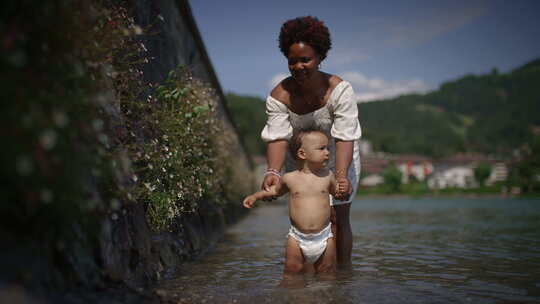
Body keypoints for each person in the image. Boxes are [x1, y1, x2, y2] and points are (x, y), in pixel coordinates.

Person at [260, 16, 361, 265]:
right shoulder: (279, 95)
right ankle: (307, 279)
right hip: (302, 161)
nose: (298, 66)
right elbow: (277, 137)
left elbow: (345, 137)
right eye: (292, 61)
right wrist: (273, 170)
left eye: (305, 60)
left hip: (339, 158)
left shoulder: (339, 90)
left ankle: (341, 278)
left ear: (320, 58)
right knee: (308, 219)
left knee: (337, 217)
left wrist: (341, 176)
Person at [243, 129, 339, 274]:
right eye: (322, 148)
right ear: (302, 154)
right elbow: (274, 191)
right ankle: (293, 296)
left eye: (328, 148)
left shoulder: (328, 175)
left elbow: (337, 193)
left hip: (324, 236)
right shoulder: (290, 178)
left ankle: (325, 296)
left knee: (327, 271)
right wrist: (256, 196)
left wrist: (343, 188)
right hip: (297, 237)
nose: (327, 152)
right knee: (292, 270)